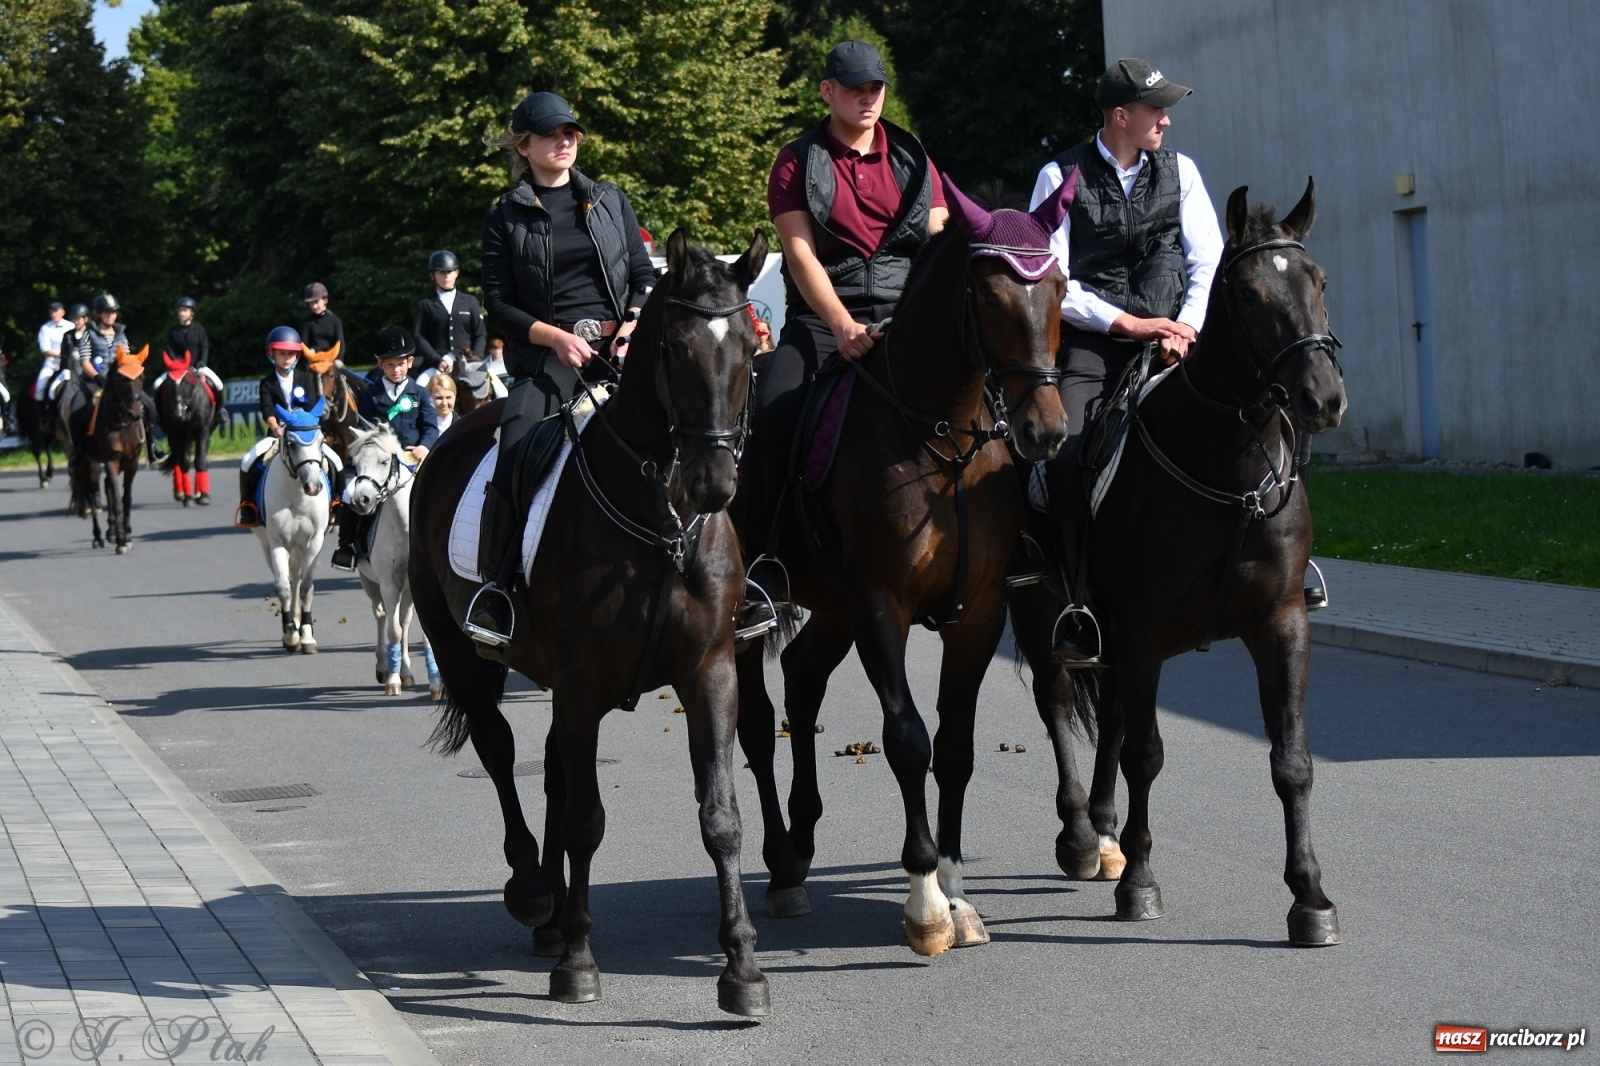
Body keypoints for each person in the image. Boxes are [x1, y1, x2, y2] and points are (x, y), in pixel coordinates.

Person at [735, 39, 950, 637]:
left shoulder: (913, 156)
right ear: (827, 91)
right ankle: (764, 567)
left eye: (875, 87)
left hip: (907, 319)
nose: (867, 98)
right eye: (854, 87)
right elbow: (799, 255)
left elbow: (936, 239)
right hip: (824, 322)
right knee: (774, 412)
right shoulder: (796, 160)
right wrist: (844, 327)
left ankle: (1014, 550)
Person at [1027, 57, 1223, 662]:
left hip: (1178, 340)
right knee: (1064, 459)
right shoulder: (1057, 175)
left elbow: (1207, 259)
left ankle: (1262, 573)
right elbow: (1051, 274)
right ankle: (1077, 602)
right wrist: (1127, 323)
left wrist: (1185, 326)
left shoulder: (1182, 172)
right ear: (1121, 115)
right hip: (1095, 343)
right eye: (1156, 108)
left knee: (1254, 422)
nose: (1166, 118)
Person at [464, 90, 654, 647]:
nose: (565, 141)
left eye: (570, 132)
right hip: (548, 357)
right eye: (551, 135)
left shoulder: (609, 199)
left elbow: (642, 274)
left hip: (622, 349)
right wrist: (555, 337)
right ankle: (496, 589)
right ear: (524, 147)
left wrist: (632, 326)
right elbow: (497, 302)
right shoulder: (504, 215)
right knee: (517, 442)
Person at [331, 326, 439, 571]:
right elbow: (365, 429)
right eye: (390, 365)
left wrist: (424, 446)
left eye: (401, 364)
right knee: (351, 493)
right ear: (381, 364)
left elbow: (431, 427)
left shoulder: (420, 393)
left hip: (412, 458)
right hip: (380, 462)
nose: (396, 369)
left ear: (410, 362)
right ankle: (346, 546)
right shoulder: (372, 394)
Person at [234, 326, 322, 528]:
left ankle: (336, 502)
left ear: (297, 355)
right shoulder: (267, 383)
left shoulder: (306, 378)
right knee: (248, 461)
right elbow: (267, 408)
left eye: (291, 354)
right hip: (278, 433)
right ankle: (248, 506)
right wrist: (275, 427)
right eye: (282, 353)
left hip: (304, 435)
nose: (286, 358)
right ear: (271, 354)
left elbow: (311, 406)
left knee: (334, 460)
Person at [80, 294, 162, 463]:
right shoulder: (88, 333)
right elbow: (84, 361)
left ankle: (152, 445)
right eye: (106, 312)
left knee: (149, 405)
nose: (110, 315)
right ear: (99, 314)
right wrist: (97, 377)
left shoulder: (121, 334)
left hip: (119, 382)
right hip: (96, 379)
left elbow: (126, 359)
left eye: (113, 312)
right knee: (80, 407)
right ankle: (80, 450)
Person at [412, 250, 487, 383]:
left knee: (501, 392)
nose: (446, 276)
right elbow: (419, 337)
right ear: (432, 275)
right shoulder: (424, 304)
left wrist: (476, 358)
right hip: (436, 365)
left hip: (468, 362)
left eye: (450, 272)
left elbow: (480, 334)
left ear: (457, 273)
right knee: (420, 386)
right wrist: (436, 360)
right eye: (441, 272)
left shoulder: (470, 301)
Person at [165, 296, 227, 423]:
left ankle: (221, 410)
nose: (182, 313)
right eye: (180, 310)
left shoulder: (199, 329)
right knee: (156, 385)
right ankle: (159, 414)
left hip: (198, 366)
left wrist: (202, 363)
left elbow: (204, 347)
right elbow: (170, 349)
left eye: (185, 310)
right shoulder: (173, 332)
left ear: (191, 313)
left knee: (218, 383)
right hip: (177, 369)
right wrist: (177, 364)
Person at [298, 282, 345, 360]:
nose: (314, 306)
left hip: (332, 360)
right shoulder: (306, 323)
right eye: (311, 303)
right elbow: (303, 346)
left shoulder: (335, 320)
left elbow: (340, 343)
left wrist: (339, 360)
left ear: (325, 300)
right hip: (313, 360)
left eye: (316, 302)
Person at [34, 302, 70, 403]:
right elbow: (45, 350)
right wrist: (62, 355)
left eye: (55, 311)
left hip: (69, 365)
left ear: (63, 312)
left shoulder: (70, 326)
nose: (53, 314)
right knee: (39, 388)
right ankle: (41, 414)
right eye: (51, 312)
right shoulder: (45, 328)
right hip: (52, 365)